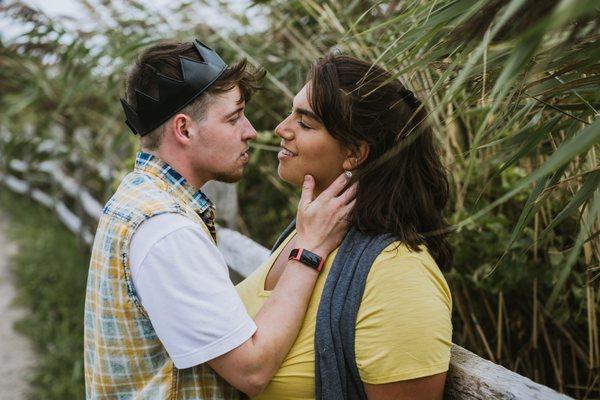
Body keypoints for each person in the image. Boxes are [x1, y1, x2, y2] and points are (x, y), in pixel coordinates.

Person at [84, 40, 356, 399]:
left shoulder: (139, 197)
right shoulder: (167, 228)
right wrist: (309, 248)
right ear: (184, 129)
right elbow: (252, 369)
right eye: (234, 117)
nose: (251, 131)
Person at [237, 53, 453, 400]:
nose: (281, 129)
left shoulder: (397, 275)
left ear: (354, 152)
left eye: (304, 123)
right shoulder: (306, 233)